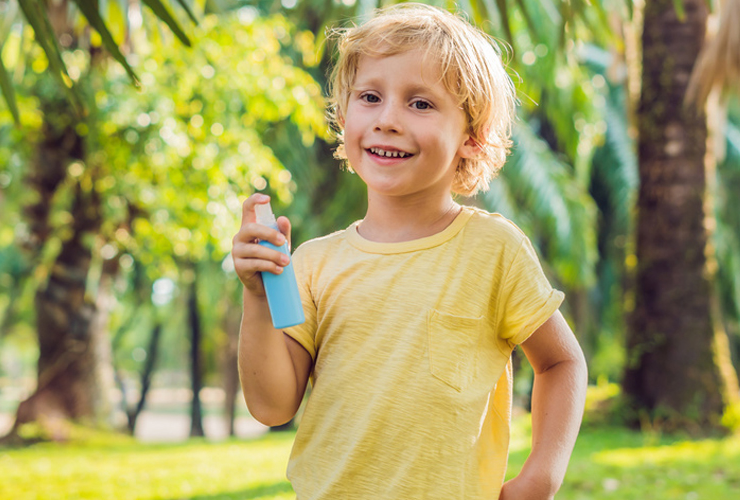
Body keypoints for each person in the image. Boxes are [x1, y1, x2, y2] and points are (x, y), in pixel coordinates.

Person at [231, 4, 587, 499]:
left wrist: (541, 477)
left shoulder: (493, 250)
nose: (388, 120)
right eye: (370, 97)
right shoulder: (312, 264)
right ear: (344, 114)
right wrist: (256, 295)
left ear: (473, 137)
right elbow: (272, 406)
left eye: (420, 104)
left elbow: (562, 364)